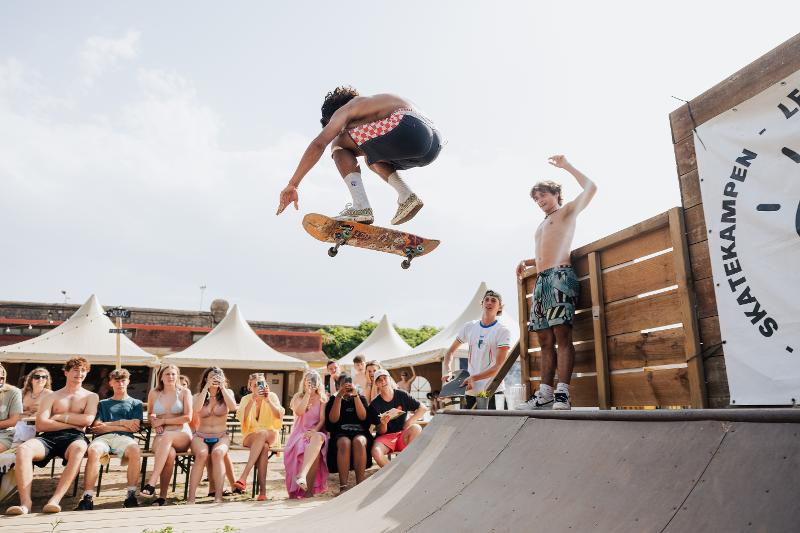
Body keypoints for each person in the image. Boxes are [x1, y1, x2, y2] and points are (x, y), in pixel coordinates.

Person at [276, 87, 443, 225]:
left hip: (406, 126)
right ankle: (406, 196)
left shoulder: (347, 108)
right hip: (432, 144)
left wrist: (293, 184)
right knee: (371, 157)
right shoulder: (375, 104)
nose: (341, 131)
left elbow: (318, 144)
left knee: (339, 145)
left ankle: (360, 206)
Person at [516, 155, 597, 411]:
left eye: (543, 195)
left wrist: (567, 166)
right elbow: (547, 249)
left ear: (556, 194)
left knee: (562, 336)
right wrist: (528, 261)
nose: (540, 201)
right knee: (544, 341)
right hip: (541, 282)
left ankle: (563, 393)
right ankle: (545, 394)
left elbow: (591, 188)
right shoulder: (543, 223)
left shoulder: (566, 212)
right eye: (536, 198)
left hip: (560, 278)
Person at [6, 356, 98, 516]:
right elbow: (41, 425)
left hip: (74, 437)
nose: (80, 373)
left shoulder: (91, 396)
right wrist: (74, 422)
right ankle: (25, 503)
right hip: (49, 437)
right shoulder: (52, 396)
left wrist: (60, 417)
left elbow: (88, 420)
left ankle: (54, 500)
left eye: (83, 370)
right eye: (76, 370)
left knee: (80, 448)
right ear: (66, 372)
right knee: (23, 449)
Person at [76, 368, 144, 511]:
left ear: (128, 382)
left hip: (124, 438)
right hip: (103, 438)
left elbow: (134, 427)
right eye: (117, 381)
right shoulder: (103, 403)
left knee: (135, 449)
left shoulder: (136, 403)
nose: (120, 384)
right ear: (111, 383)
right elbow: (96, 426)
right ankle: (88, 497)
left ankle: (131, 496)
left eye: (123, 380)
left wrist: (107, 426)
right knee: (93, 450)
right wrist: (123, 423)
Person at [442, 289, 512, 409]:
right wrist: (448, 371)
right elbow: (450, 352)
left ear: (500, 307)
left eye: (493, 300)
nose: (489, 302)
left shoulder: (503, 330)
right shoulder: (469, 327)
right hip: (470, 392)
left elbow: (499, 367)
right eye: (486, 299)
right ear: (482, 303)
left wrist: (474, 378)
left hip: (493, 391)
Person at [141, 365, 193, 498]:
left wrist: (163, 421)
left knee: (168, 436)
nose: (171, 377)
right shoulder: (154, 393)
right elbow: (150, 413)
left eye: (173, 374)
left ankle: (152, 482)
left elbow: (188, 417)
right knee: (170, 454)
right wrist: (154, 421)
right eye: (167, 374)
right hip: (161, 435)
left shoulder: (184, 392)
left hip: (181, 434)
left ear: (177, 376)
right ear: (161, 377)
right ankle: (162, 497)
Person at [187, 367, 237, 504]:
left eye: (218, 377)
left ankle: (218, 497)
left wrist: (222, 388)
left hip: (221, 436)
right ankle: (191, 498)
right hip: (200, 436)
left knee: (217, 453)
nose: (215, 379)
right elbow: (196, 409)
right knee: (201, 454)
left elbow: (233, 407)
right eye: (211, 377)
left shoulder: (228, 393)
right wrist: (206, 388)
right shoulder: (197, 396)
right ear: (205, 379)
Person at [234, 372, 284, 501]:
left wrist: (268, 401)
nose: (258, 387)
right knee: (264, 447)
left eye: (261, 384)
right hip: (251, 435)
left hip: (270, 432)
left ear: (266, 384)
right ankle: (263, 492)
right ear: (250, 387)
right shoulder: (246, 399)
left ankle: (244, 476)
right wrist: (252, 400)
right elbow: (243, 418)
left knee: (262, 434)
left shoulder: (271, 396)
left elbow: (279, 416)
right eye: (255, 385)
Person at [284, 370, 328, 498]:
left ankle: (304, 480)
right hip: (299, 432)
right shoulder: (298, 397)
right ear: (304, 382)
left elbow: (322, 419)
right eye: (309, 380)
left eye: (314, 380)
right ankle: (302, 487)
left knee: (317, 439)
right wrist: (308, 394)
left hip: (315, 431)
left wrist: (314, 430)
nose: (311, 383)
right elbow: (299, 412)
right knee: (307, 447)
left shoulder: (322, 399)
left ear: (318, 382)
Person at [370, 369, 426, 468]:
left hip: (402, 435)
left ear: (390, 379)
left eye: (385, 378)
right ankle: (394, 472)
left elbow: (423, 408)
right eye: (379, 380)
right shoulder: (374, 404)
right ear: (376, 384)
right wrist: (384, 424)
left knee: (416, 428)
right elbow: (380, 431)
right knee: (376, 452)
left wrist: (408, 422)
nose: (383, 381)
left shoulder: (401, 395)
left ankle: (408, 467)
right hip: (385, 438)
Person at [325, 376, 372, 492]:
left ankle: (360, 485)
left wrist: (355, 395)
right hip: (340, 434)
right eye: (343, 385)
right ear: (338, 386)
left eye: (349, 385)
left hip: (360, 433)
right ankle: (343, 486)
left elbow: (363, 417)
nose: (347, 387)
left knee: (359, 441)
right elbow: (333, 420)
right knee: (344, 442)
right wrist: (339, 396)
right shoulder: (333, 399)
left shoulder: (360, 398)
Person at [13, 367, 52, 446]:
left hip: (33, 425)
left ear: (47, 380)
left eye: (44, 377)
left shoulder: (49, 395)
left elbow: (48, 414)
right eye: (37, 377)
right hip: (17, 422)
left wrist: (24, 416)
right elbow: (12, 410)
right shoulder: (22, 392)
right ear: (31, 380)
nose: (41, 379)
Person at [0, 363, 23, 453]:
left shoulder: (13, 392)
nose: (0, 381)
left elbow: (14, 420)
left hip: (3, 434)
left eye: (2, 378)